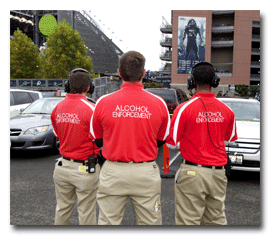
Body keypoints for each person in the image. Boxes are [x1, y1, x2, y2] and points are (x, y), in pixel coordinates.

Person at [90, 51, 170, 225]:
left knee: (107, 223)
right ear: (143, 73)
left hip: (113, 170)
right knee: (150, 223)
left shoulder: (103, 102)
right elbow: (162, 138)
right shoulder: (159, 103)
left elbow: (97, 138)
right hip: (145, 171)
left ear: (119, 73)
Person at [166, 61, 238, 225]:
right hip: (218, 174)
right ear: (215, 81)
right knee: (216, 220)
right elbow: (230, 140)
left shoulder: (183, 109)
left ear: (191, 82)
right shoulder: (228, 110)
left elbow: (171, 144)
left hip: (193, 172)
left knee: (188, 221)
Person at [51, 68, 100, 225]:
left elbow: (58, 135)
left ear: (67, 86)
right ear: (89, 88)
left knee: (62, 209)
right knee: (86, 212)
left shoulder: (57, 109)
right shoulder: (92, 110)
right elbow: (101, 139)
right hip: (85, 169)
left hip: (62, 166)